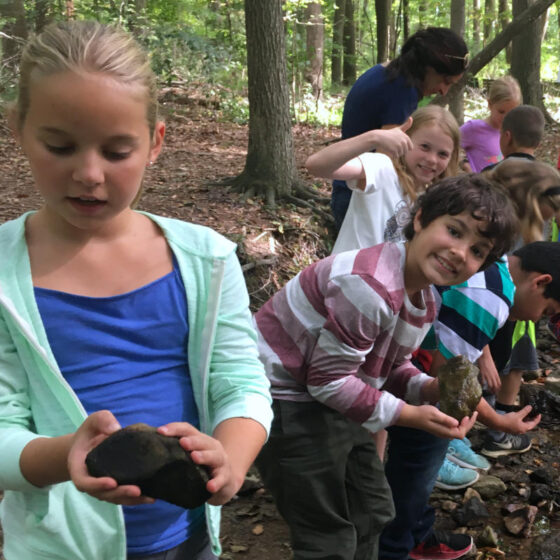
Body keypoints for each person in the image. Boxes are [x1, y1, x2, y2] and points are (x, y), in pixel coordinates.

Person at [0, 21, 272, 560]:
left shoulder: (206, 260)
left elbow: (240, 380)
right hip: (57, 548)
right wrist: (65, 457)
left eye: (117, 151)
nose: (89, 173)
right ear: (18, 130)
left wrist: (231, 460)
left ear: (155, 142)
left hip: (188, 538)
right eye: (60, 145)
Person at [254, 175, 518, 560]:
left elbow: (392, 365)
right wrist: (409, 414)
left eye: (477, 250)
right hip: (286, 397)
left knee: (374, 510)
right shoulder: (370, 286)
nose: (461, 252)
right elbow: (326, 382)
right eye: (454, 230)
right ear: (420, 219)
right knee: (327, 534)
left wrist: (429, 390)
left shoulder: (424, 300)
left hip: (337, 392)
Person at [377, 160, 560, 560]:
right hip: (414, 382)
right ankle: (396, 547)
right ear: (540, 282)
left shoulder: (493, 269)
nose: (540, 320)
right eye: (547, 312)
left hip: (407, 366)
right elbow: (449, 379)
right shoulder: (491, 298)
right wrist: (499, 420)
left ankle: (416, 528)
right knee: (418, 463)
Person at [331, 27, 468, 229]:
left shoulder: (386, 72)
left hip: (349, 187)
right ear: (427, 67)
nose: (444, 90)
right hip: (361, 197)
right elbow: (385, 159)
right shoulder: (402, 91)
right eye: (444, 80)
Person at [308, 105, 460, 254]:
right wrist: (373, 137)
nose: (432, 159)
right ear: (406, 140)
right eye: (425, 147)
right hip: (345, 277)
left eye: (442, 154)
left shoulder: (433, 200)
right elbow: (316, 165)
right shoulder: (381, 168)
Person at [460, 76, 522, 172]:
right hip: (478, 185)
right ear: (490, 104)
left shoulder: (514, 134)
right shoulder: (474, 128)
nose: (506, 118)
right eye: (501, 112)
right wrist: (465, 164)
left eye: (511, 113)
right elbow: (450, 144)